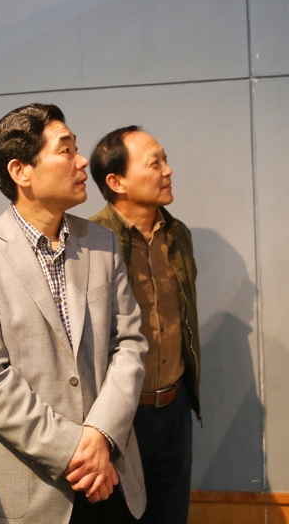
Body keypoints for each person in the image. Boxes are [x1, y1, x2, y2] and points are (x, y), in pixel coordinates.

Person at [0, 103, 148, 524]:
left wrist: (100, 434)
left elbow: (129, 344)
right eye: (66, 150)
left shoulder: (102, 242)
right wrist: (74, 449)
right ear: (21, 171)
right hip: (30, 493)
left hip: (111, 475)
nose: (81, 161)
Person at [90, 126, 201, 524]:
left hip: (174, 408)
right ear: (116, 181)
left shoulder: (178, 234)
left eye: (165, 160)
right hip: (119, 416)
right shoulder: (89, 241)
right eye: (155, 163)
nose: (167, 171)